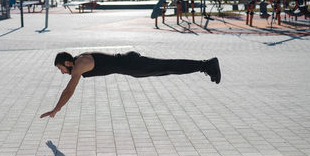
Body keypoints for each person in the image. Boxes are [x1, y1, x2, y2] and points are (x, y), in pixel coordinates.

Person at [40, 51, 221, 118]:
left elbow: (69, 90)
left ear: (68, 63)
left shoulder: (79, 65)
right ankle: (206, 66)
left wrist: (56, 109)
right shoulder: (80, 59)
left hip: (132, 65)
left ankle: (207, 64)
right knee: (167, 68)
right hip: (131, 66)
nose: (62, 72)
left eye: (61, 68)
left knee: (167, 66)